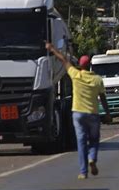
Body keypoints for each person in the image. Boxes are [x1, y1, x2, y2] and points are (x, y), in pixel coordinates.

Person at [46, 42, 111, 180]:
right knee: (94, 140)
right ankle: (92, 158)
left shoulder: (76, 75)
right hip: (93, 114)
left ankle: (83, 172)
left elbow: (63, 60)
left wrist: (52, 49)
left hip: (78, 114)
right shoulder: (97, 80)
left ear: (80, 66)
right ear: (90, 66)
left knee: (81, 142)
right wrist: (107, 114)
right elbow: (103, 98)